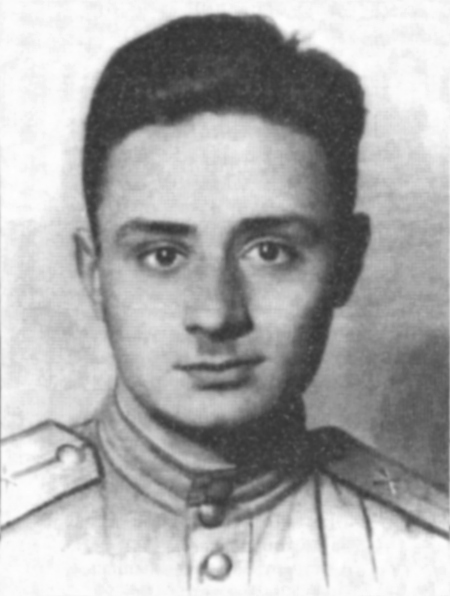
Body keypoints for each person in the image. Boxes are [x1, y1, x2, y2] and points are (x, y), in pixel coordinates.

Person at [1, 13, 448, 596]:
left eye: (270, 251)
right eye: (163, 255)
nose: (216, 315)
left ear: (347, 263)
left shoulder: (426, 559)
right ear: (94, 274)